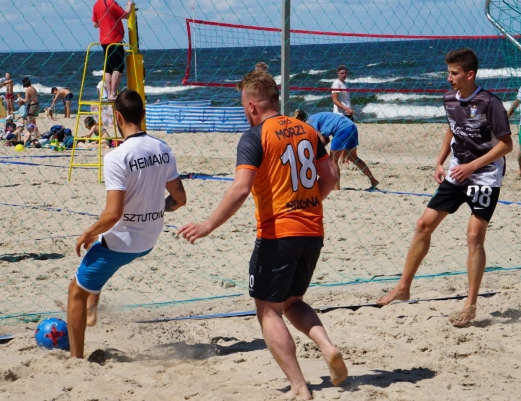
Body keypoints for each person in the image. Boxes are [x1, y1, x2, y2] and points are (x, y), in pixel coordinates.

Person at [178, 72, 347, 400]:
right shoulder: (307, 130)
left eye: (243, 105)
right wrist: (307, 202)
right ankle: (327, 347)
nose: (244, 111)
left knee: (268, 311)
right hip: (312, 230)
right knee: (293, 301)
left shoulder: (254, 137)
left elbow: (240, 188)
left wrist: (207, 225)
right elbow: (330, 176)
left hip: (278, 234)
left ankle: (300, 387)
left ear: (252, 105)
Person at [376, 49, 513, 328]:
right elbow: (452, 129)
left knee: (474, 236)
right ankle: (403, 287)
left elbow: (506, 145)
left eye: (453, 73)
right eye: (448, 72)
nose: (448, 78)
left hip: (485, 176)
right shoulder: (449, 98)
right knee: (423, 225)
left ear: (470, 74)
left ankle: (470, 304)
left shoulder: (490, 103)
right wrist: (440, 162)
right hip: (457, 172)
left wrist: (473, 166)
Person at [67, 90, 186, 358]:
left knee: (75, 291)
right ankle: (91, 311)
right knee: (100, 242)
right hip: (149, 238)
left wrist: (86, 233)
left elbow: (113, 214)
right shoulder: (163, 149)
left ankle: (75, 359)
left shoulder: (116, 157)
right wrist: (155, 210)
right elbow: (180, 199)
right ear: (143, 115)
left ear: (117, 117)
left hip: (123, 243)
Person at [295, 110, 379, 190]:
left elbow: (322, 140)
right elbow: (326, 140)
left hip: (342, 129)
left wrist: (315, 152)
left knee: (333, 160)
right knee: (353, 157)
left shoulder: (309, 123)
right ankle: (373, 181)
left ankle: (336, 188)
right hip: (351, 126)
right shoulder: (315, 118)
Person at [92, 0, 134, 101]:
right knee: (118, 67)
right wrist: (130, 5)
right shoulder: (111, 2)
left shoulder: (96, 4)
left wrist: (105, 21)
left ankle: (109, 93)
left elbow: (95, 24)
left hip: (104, 40)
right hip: (115, 39)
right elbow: (126, 15)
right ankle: (112, 93)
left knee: (109, 68)